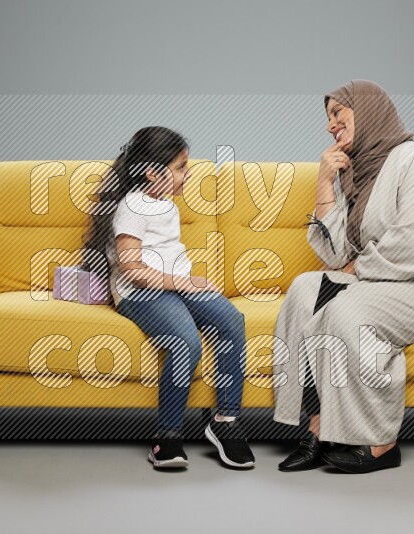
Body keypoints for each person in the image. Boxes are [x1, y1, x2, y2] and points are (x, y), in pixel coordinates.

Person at [273, 80, 414, 473]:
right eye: (327, 117)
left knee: (347, 313)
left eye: (337, 113)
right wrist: (324, 183)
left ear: (366, 111)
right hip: (381, 279)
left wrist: (355, 270)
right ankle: (319, 426)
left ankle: (381, 442)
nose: (330, 125)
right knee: (303, 291)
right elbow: (334, 255)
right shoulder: (355, 174)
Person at [83, 126, 255, 470]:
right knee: (184, 341)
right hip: (141, 292)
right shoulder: (133, 206)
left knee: (231, 320)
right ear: (152, 172)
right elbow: (132, 268)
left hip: (175, 284)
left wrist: (184, 282)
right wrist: (181, 282)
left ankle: (226, 423)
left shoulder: (164, 204)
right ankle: (167, 437)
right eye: (180, 167)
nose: (187, 174)